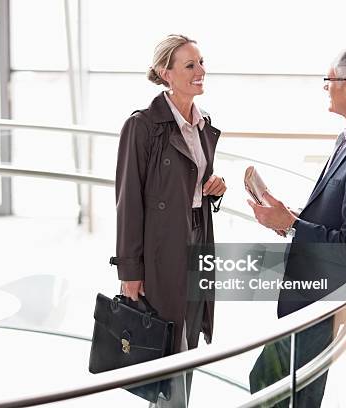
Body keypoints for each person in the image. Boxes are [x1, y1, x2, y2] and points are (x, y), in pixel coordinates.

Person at [247, 45, 346, 406]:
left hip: (322, 300)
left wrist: (293, 226)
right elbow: (343, 213)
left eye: (329, 79)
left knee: (281, 391)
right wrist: (291, 218)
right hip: (313, 295)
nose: (325, 87)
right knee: (275, 385)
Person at [111, 34, 226, 407]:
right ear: (166, 74)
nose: (200, 71)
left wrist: (214, 188)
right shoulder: (143, 126)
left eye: (201, 62)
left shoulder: (203, 124)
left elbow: (190, 184)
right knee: (165, 347)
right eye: (190, 65)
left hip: (198, 236)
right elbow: (128, 201)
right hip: (163, 246)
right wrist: (130, 270)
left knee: (188, 342)